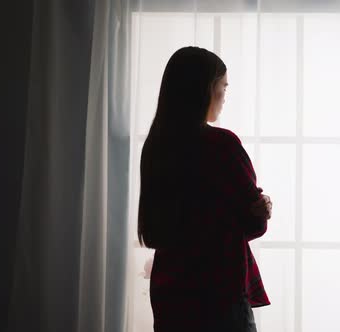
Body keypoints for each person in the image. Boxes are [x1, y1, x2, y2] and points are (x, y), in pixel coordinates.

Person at [137, 46, 273, 332]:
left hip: (170, 292)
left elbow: (157, 228)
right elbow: (251, 224)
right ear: (204, 90)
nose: (224, 97)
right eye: (222, 87)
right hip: (219, 292)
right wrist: (263, 210)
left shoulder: (157, 147)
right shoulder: (222, 145)